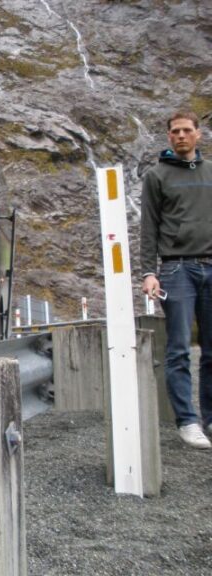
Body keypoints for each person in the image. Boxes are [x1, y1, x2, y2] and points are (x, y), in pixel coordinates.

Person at [140, 110, 212, 449]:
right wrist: (149, 271)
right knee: (179, 349)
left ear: (198, 134)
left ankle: (210, 418)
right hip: (176, 269)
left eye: (186, 130)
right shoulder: (157, 176)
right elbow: (149, 227)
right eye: (174, 131)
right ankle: (187, 421)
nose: (180, 136)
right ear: (168, 137)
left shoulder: (211, 172)